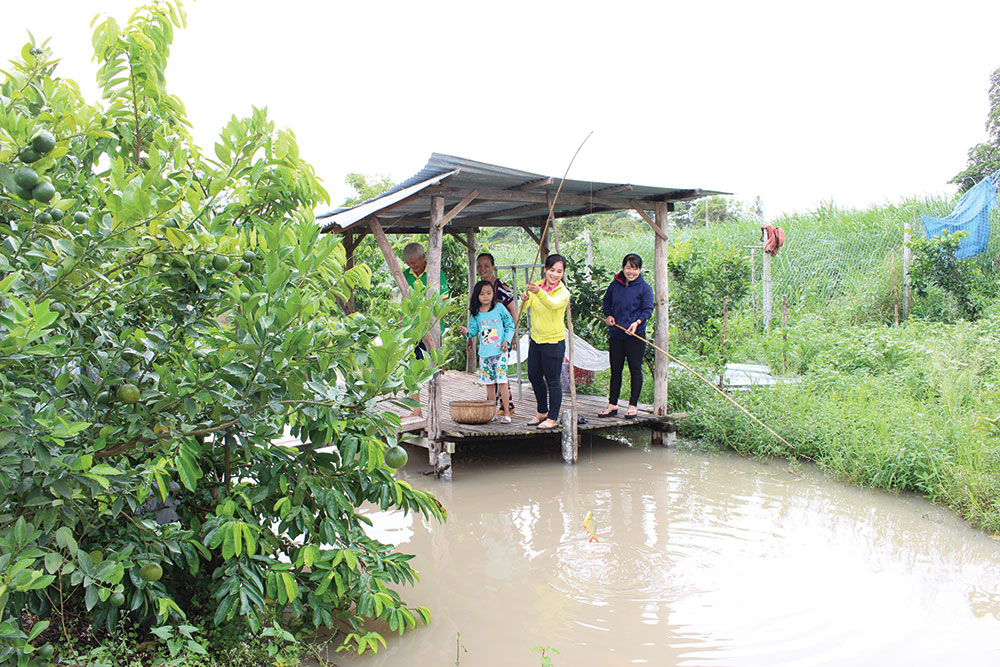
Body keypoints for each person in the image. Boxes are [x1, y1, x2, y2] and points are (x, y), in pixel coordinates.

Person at [599, 253, 654, 419]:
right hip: (616, 334)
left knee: (635, 370)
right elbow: (606, 303)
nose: (631, 272)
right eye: (628, 268)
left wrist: (636, 323)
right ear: (623, 268)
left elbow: (647, 310)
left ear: (640, 270)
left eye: (635, 269)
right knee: (616, 370)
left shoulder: (644, 288)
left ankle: (632, 405)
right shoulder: (615, 285)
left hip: (635, 336)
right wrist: (608, 316)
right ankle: (612, 404)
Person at [520, 254, 570, 430]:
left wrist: (537, 292)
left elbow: (552, 304)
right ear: (546, 269)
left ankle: (553, 417)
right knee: (534, 376)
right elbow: (525, 308)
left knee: (553, 380)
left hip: (554, 342)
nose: (555, 274)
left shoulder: (563, 292)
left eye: (559, 271)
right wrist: (524, 299)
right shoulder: (537, 286)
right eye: (552, 270)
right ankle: (542, 411)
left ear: (563, 273)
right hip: (536, 339)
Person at [401, 242, 449, 418]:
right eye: (409, 263)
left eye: (415, 262)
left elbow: (443, 303)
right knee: (413, 369)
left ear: (424, 258)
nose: (412, 266)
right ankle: (416, 410)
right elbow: (404, 302)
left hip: (432, 330)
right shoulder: (405, 275)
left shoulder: (436, 273)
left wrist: (432, 326)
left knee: (432, 370)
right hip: (413, 331)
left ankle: (433, 411)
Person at [458, 280, 515, 424]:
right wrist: (467, 332)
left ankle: (507, 413)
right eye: (482, 294)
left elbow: (510, 325)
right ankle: (492, 413)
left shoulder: (500, 308)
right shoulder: (476, 314)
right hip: (485, 354)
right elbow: (473, 331)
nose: (485, 296)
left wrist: (506, 341)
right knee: (489, 383)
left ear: (493, 294)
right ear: (477, 296)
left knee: (502, 382)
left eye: (489, 293)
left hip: (500, 352)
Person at [474, 252, 517, 413]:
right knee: (492, 370)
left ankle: (505, 405)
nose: (482, 269)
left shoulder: (500, 287)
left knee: (500, 370)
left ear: (493, 267)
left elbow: (513, 309)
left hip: (502, 336)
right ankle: (498, 404)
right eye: (479, 265)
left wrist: (513, 335)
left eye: (486, 265)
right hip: (487, 337)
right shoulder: (480, 289)